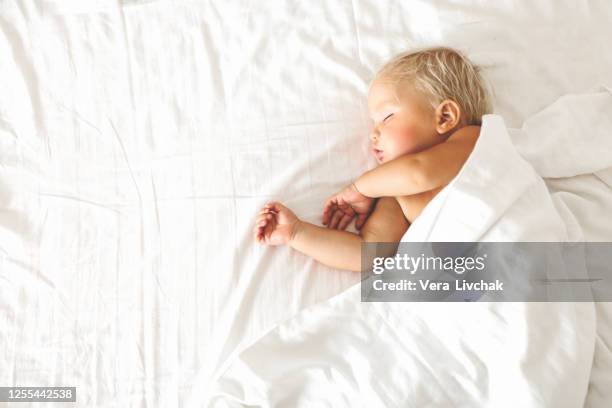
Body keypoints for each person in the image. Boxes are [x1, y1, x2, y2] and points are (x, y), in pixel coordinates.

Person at [253, 47, 491, 272]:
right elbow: (368, 255)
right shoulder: (395, 198)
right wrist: (296, 233)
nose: (373, 134)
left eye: (387, 117)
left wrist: (360, 188)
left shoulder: (474, 141)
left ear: (445, 117)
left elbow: (419, 173)